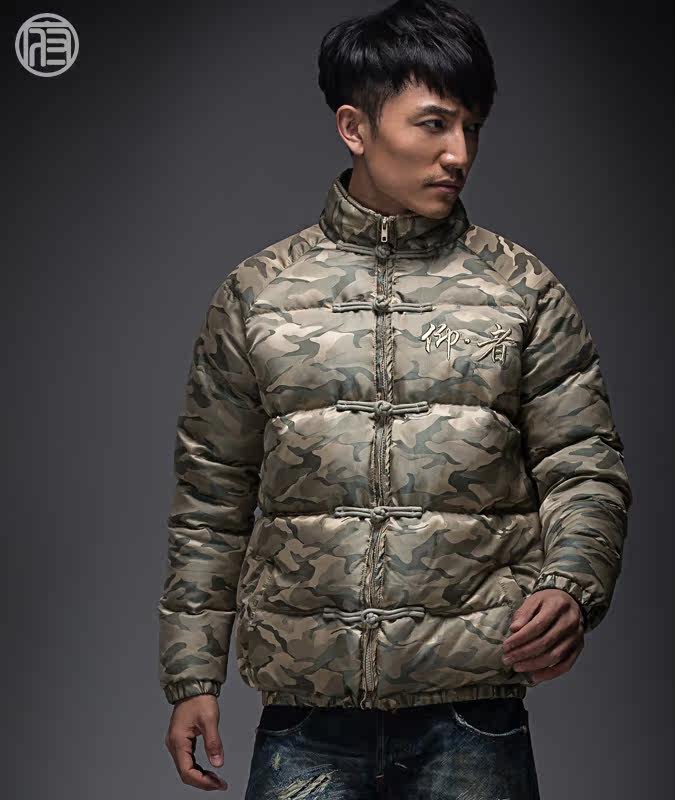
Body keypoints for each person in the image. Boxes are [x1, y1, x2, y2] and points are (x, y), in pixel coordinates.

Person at [158, 1, 633, 797]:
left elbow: (584, 467)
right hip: (305, 717)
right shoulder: (258, 294)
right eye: (435, 124)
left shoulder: (521, 291)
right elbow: (212, 497)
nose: (459, 154)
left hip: (474, 713)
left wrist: (571, 586)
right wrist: (191, 674)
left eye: (472, 129)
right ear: (355, 127)